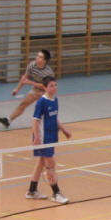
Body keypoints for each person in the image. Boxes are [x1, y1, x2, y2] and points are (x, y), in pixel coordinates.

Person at [27, 76, 71, 204]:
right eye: (51, 86)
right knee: (50, 165)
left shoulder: (55, 100)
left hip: (51, 137)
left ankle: (32, 191)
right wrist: (37, 137)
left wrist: (63, 130)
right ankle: (56, 193)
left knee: (41, 163)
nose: (54, 88)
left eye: (55, 85)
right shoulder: (42, 102)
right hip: (43, 139)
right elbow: (35, 120)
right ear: (45, 88)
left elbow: (54, 118)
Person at [0, 49, 55, 128]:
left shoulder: (48, 73)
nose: (37, 58)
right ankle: (8, 121)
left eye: (40, 57)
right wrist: (17, 89)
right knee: (23, 104)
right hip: (36, 89)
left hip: (46, 91)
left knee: (44, 109)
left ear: (45, 61)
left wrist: (30, 82)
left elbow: (45, 86)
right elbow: (24, 78)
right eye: (37, 56)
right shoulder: (32, 65)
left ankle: (52, 124)